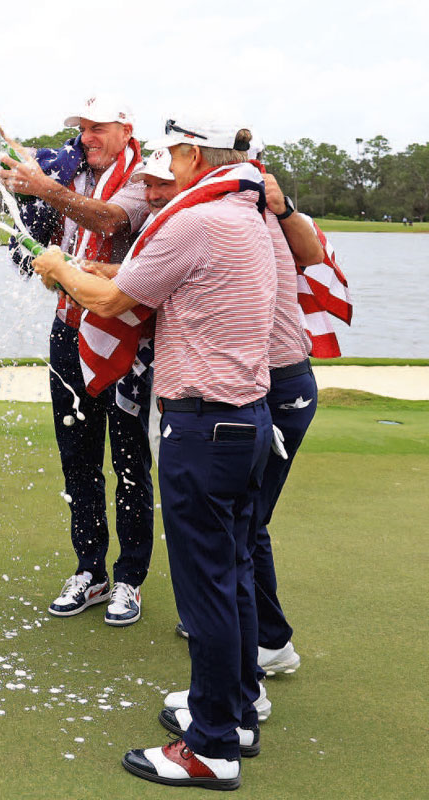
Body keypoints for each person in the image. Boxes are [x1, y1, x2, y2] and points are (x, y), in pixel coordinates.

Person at [34, 118, 277, 790]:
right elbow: (159, 281)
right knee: (232, 576)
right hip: (245, 421)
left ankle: (211, 747)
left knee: (206, 595)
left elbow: (112, 300)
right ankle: (236, 709)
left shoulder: (194, 220)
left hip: (204, 427)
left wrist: (58, 267)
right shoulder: (245, 212)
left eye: (171, 154)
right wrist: (106, 268)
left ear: (194, 155)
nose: (163, 166)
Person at [0, 91, 153, 626]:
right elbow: (5, 154)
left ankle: (131, 578)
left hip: (125, 336)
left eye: (99, 128)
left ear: (126, 129)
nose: (87, 137)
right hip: (68, 330)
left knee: (131, 462)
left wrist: (47, 189)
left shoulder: (145, 176)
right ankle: (90, 570)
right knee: (78, 457)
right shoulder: (70, 164)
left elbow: (112, 221)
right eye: (82, 127)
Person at [134, 150, 322, 678]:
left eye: (163, 174)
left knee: (237, 537)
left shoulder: (229, 211)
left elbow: (311, 253)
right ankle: (256, 652)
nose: (153, 191)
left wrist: (283, 208)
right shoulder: (220, 209)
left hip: (273, 382)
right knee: (239, 534)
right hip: (261, 385)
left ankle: (255, 662)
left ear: (194, 161)